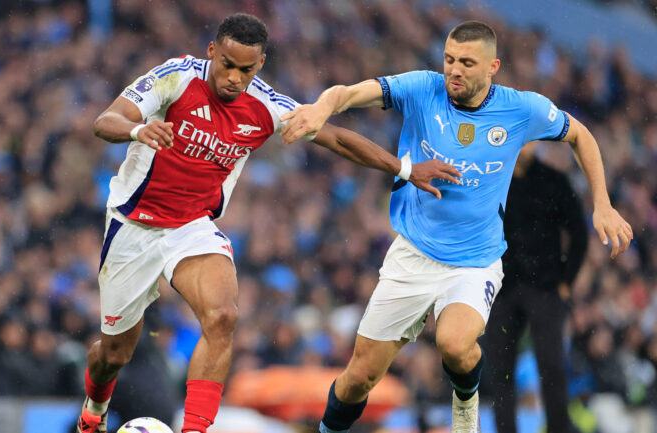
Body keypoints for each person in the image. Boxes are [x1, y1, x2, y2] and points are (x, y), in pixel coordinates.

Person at [77, 13, 458, 433]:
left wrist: (404, 169)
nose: (234, 78)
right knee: (114, 354)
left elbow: (335, 138)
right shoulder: (175, 77)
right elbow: (104, 122)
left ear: (259, 65)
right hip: (134, 224)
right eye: (227, 64)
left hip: (191, 227)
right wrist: (137, 131)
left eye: (246, 69)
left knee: (222, 316)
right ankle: (94, 407)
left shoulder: (266, 105)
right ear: (212, 53)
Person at [280, 20, 633, 433]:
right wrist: (322, 108)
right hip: (413, 254)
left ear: (492, 67)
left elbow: (581, 136)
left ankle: (465, 397)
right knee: (360, 377)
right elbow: (348, 93)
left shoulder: (521, 109)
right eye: (449, 59)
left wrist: (603, 204)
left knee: (454, 344)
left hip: (475, 262)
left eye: (467, 62)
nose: (454, 70)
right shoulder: (421, 88)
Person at [483, 141, 588, 433]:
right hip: (502, 287)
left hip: (545, 286)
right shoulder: (494, 180)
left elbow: (579, 233)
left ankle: (559, 428)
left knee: (551, 365)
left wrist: (567, 280)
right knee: (500, 369)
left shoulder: (553, 180)